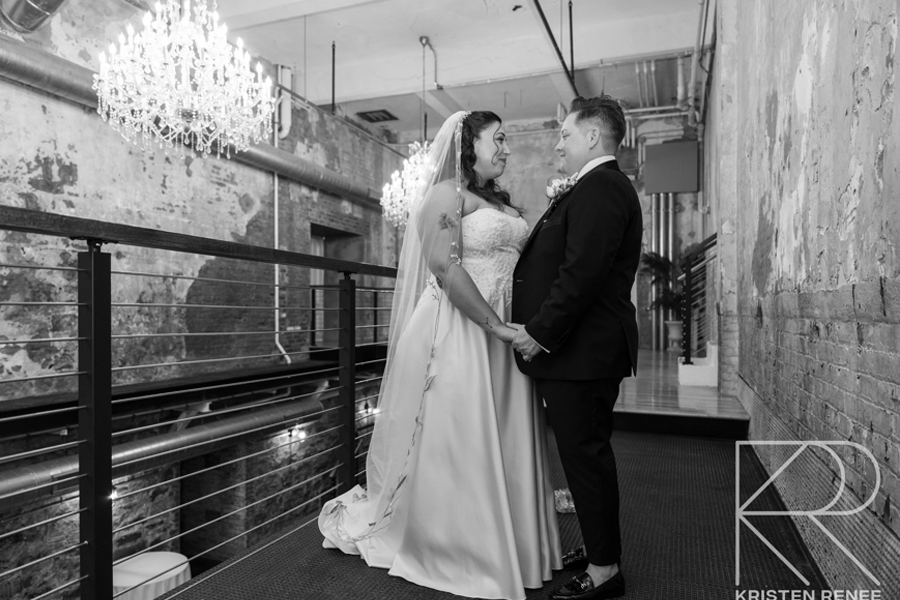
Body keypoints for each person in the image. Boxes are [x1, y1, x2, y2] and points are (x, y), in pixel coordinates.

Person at [318, 110, 562, 600]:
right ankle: (462, 550)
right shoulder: (446, 195)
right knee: (462, 435)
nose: (507, 149)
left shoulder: (500, 202)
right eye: (499, 139)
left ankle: (514, 544)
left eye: (508, 138)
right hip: (461, 329)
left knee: (505, 431)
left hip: (506, 331)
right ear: (469, 144)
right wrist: (494, 326)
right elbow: (443, 268)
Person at [508, 95, 642, 600]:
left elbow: (580, 275)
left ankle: (606, 572)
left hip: (582, 353)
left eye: (565, 134)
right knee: (582, 456)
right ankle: (598, 549)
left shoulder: (603, 187)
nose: (557, 143)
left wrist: (538, 332)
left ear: (592, 136)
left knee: (585, 458)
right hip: (580, 351)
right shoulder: (595, 188)